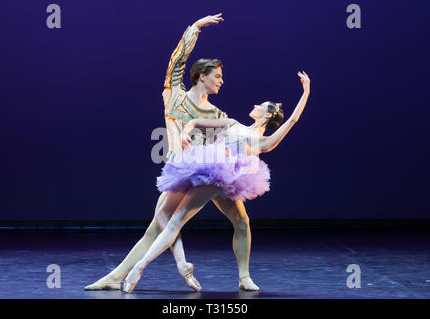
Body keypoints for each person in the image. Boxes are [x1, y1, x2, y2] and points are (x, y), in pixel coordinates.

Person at [85, 13, 259, 292]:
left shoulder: (216, 113)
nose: (221, 81)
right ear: (202, 76)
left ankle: (243, 277)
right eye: (217, 76)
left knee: (241, 220)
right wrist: (195, 28)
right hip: (182, 171)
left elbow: (230, 137)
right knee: (160, 225)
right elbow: (176, 63)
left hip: (210, 174)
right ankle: (123, 275)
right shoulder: (174, 94)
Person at [122, 71, 311, 293]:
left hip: (228, 182)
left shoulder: (263, 141)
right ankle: (139, 267)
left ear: (268, 115)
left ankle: (244, 277)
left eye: (261, 106)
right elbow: (195, 122)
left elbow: (293, 119)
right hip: (210, 174)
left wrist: (306, 90)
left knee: (242, 222)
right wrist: (186, 132)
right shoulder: (231, 123)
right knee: (175, 220)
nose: (256, 105)